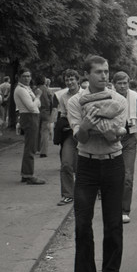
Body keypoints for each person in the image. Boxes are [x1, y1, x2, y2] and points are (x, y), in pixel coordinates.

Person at [67, 55, 127, 272]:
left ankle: (111, 270)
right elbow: (79, 138)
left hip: (113, 163)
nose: (104, 75)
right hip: (87, 165)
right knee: (82, 222)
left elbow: (115, 136)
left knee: (113, 221)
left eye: (107, 70)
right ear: (87, 75)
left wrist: (99, 128)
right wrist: (86, 127)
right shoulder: (75, 102)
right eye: (99, 72)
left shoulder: (119, 100)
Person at [112, 71, 137, 224]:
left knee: (127, 176)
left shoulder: (136, 96)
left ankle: (125, 209)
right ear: (114, 84)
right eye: (119, 83)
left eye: (125, 83)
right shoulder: (108, 96)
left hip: (130, 138)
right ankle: (112, 207)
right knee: (112, 175)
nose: (123, 86)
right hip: (111, 138)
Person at [14, 68, 45, 185]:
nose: (27, 78)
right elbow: (32, 107)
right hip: (29, 117)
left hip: (32, 117)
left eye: (28, 76)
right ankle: (28, 175)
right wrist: (37, 96)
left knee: (31, 146)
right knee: (30, 147)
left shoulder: (27, 89)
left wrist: (36, 98)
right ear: (19, 77)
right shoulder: (21, 90)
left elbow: (38, 105)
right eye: (24, 76)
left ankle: (26, 173)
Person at [56, 69, 80, 206]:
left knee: (89, 163)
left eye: (72, 79)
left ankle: (97, 189)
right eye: (67, 80)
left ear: (77, 80)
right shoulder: (63, 97)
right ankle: (67, 194)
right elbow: (63, 114)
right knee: (66, 163)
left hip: (87, 133)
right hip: (70, 133)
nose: (70, 82)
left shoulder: (86, 94)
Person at [34, 75, 52, 158]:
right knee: (45, 131)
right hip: (46, 112)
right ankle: (43, 151)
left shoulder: (34, 90)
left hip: (36, 112)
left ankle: (36, 149)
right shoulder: (47, 90)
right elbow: (51, 102)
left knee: (37, 131)